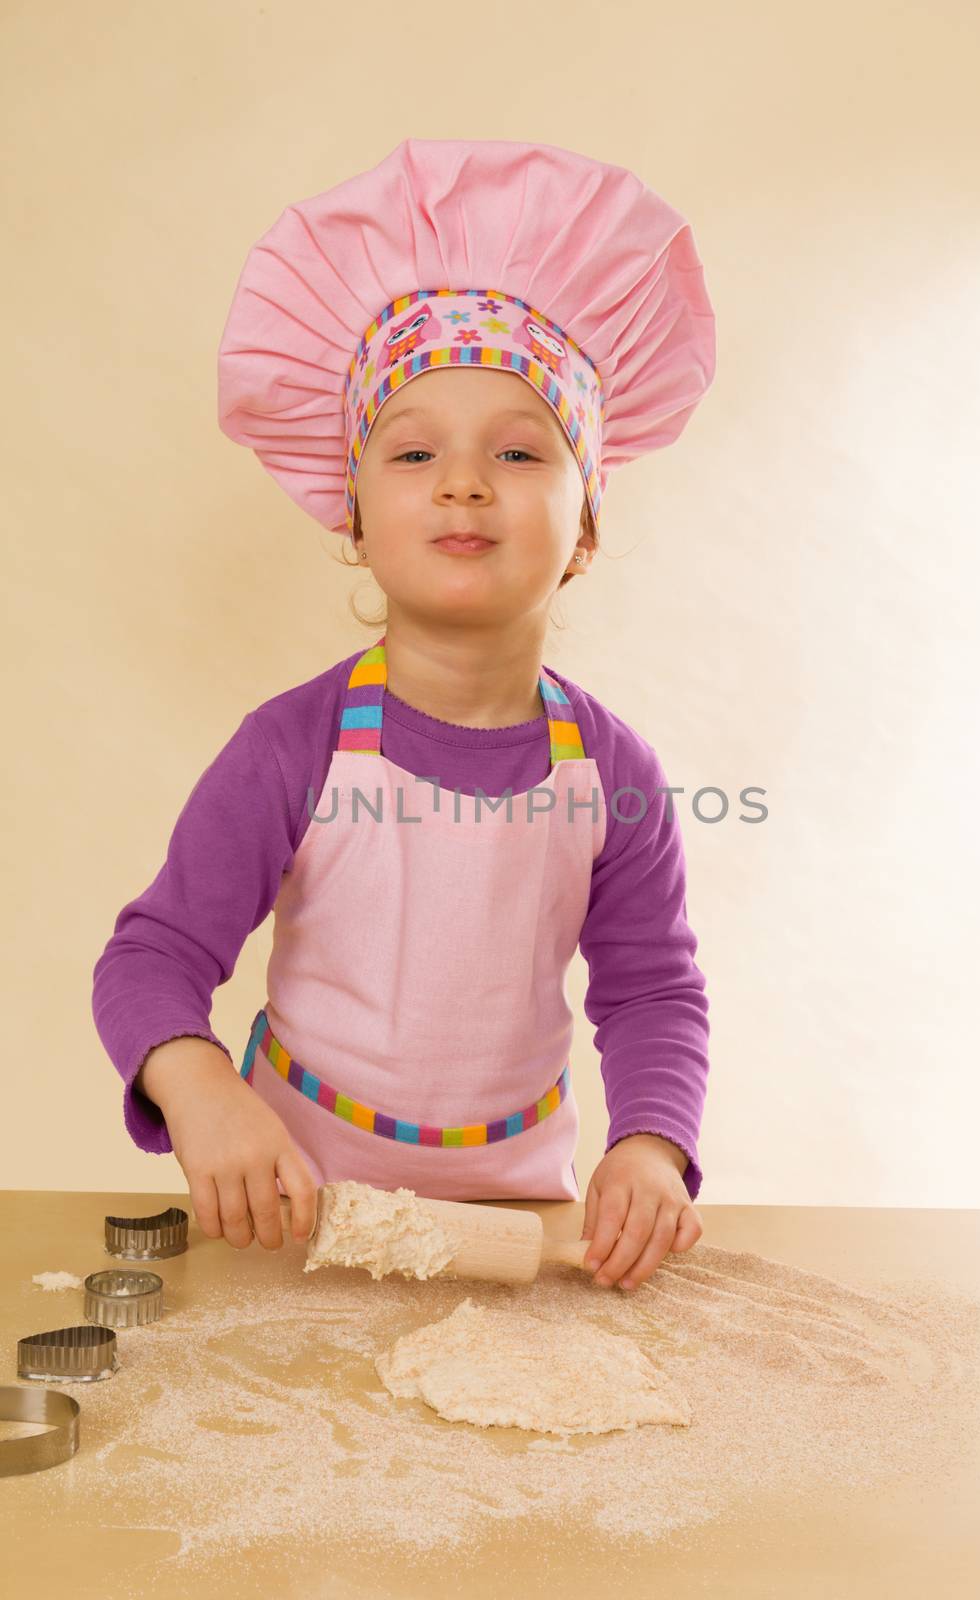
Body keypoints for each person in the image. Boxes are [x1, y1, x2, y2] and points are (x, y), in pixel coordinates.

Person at [92, 138, 717, 1294]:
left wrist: (649, 1143)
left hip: (518, 1222)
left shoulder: (611, 768)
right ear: (356, 515)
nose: (462, 481)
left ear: (582, 527)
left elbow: (651, 989)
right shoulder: (294, 746)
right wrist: (197, 1083)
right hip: (291, 1217)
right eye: (414, 448)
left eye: (521, 451)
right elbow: (153, 957)